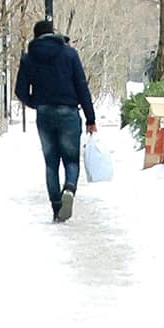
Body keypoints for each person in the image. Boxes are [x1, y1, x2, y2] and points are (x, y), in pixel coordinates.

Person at [15, 19, 96, 222]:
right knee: (70, 159)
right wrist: (90, 118)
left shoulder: (28, 58)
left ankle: (56, 207)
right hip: (69, 112)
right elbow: (81, 86)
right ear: (53, 33)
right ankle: (69, 188)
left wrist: (36, 103)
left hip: (44, 114)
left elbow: (20, 91)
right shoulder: (69, 54)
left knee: (51, 164)